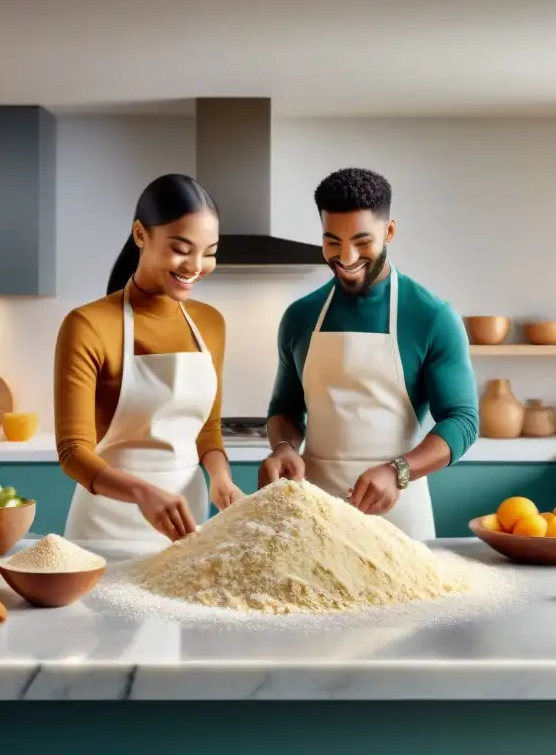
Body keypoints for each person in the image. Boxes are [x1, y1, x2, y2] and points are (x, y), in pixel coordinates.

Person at [258, 167, 479, 540]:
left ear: (388, 231)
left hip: (399, 515)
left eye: (362, 241)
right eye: (332, 242)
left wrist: (398, 471)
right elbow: (284, 408)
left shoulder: (432, 316)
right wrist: (283, 447)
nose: (346, 258)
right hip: (313, 514)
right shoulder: (300, 317)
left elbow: (462, 420)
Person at [55, 173, 243, 544]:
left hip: (187, 524)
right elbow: (73, 453)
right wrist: (142, 493)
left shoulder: (211, 324)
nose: (195, 265)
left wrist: (221, 478)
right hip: (105, 527)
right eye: (181, 248)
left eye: (210, 252)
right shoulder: (89, 324)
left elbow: (207, 428)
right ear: (140, 234)